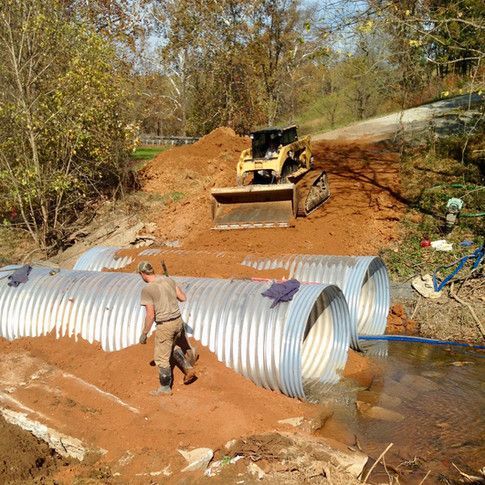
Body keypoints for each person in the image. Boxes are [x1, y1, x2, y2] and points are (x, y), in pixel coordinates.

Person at [138, 261, 197, 396]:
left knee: (161, 358)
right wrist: (171, 286)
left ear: (142, 274)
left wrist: (144, 333)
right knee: (172, 347)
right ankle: (188, 368)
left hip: (165, 325)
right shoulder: (168, 280)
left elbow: (150, 315)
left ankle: (165, 388)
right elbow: (183, 298)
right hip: (178, 322)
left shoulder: (147, 289)